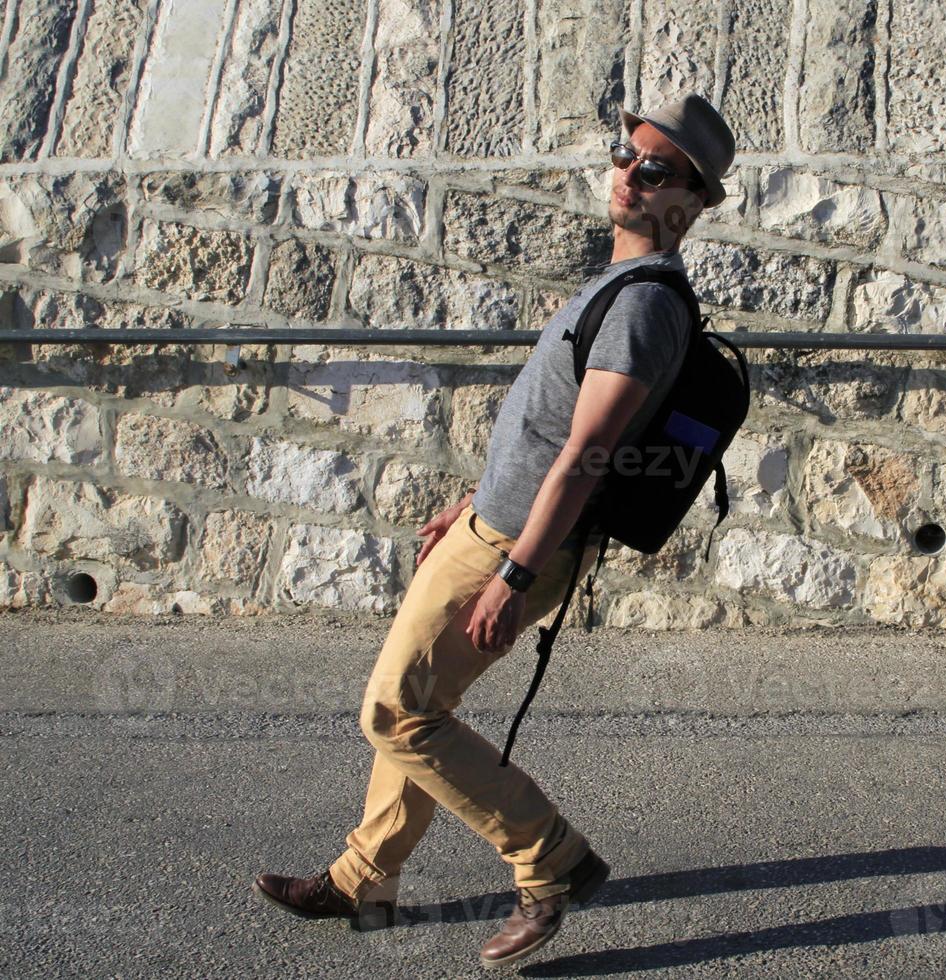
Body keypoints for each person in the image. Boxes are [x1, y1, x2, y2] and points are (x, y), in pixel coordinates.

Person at [252, 94, 736, 969]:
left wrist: (514, 573)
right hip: (491, 529)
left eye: (656, 169)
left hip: (514, 550)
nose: (630, 173)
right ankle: (367, 879)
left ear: (693, 201)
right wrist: (473, 504)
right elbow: (547, 425)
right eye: (626, 154)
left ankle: (548, 860)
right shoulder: (620, 283)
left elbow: (588, 451)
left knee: (395, 713)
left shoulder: (645, 307)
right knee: (422, 708)